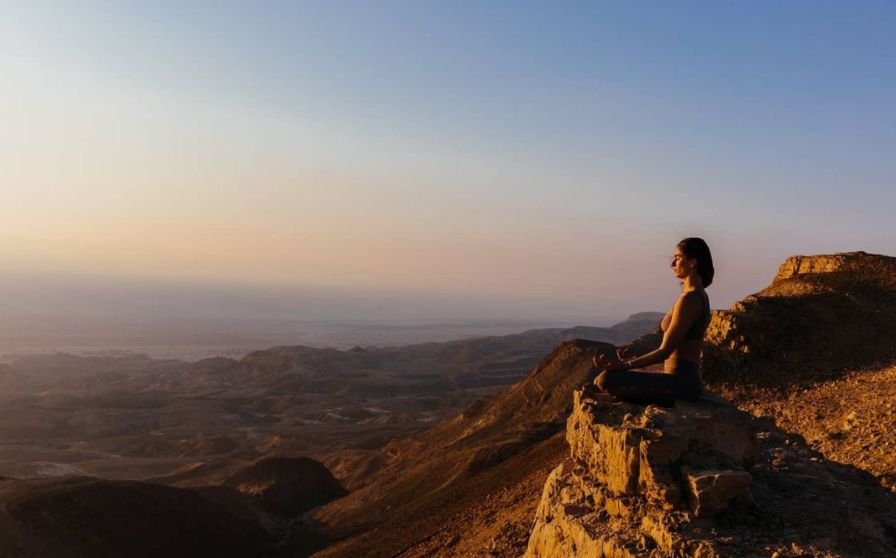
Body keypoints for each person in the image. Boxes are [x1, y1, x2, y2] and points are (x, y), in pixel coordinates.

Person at [591, 237, 714, 406]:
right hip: (679, 379)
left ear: (692, 262)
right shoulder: (693, 295)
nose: (672, 264)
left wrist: (624, 365)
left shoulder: (690, 300)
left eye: (677, 258)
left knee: (605, 380)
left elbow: (664, 352)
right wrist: (637, 359)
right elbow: (674, 346)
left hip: (682, 383)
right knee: (603, 380)